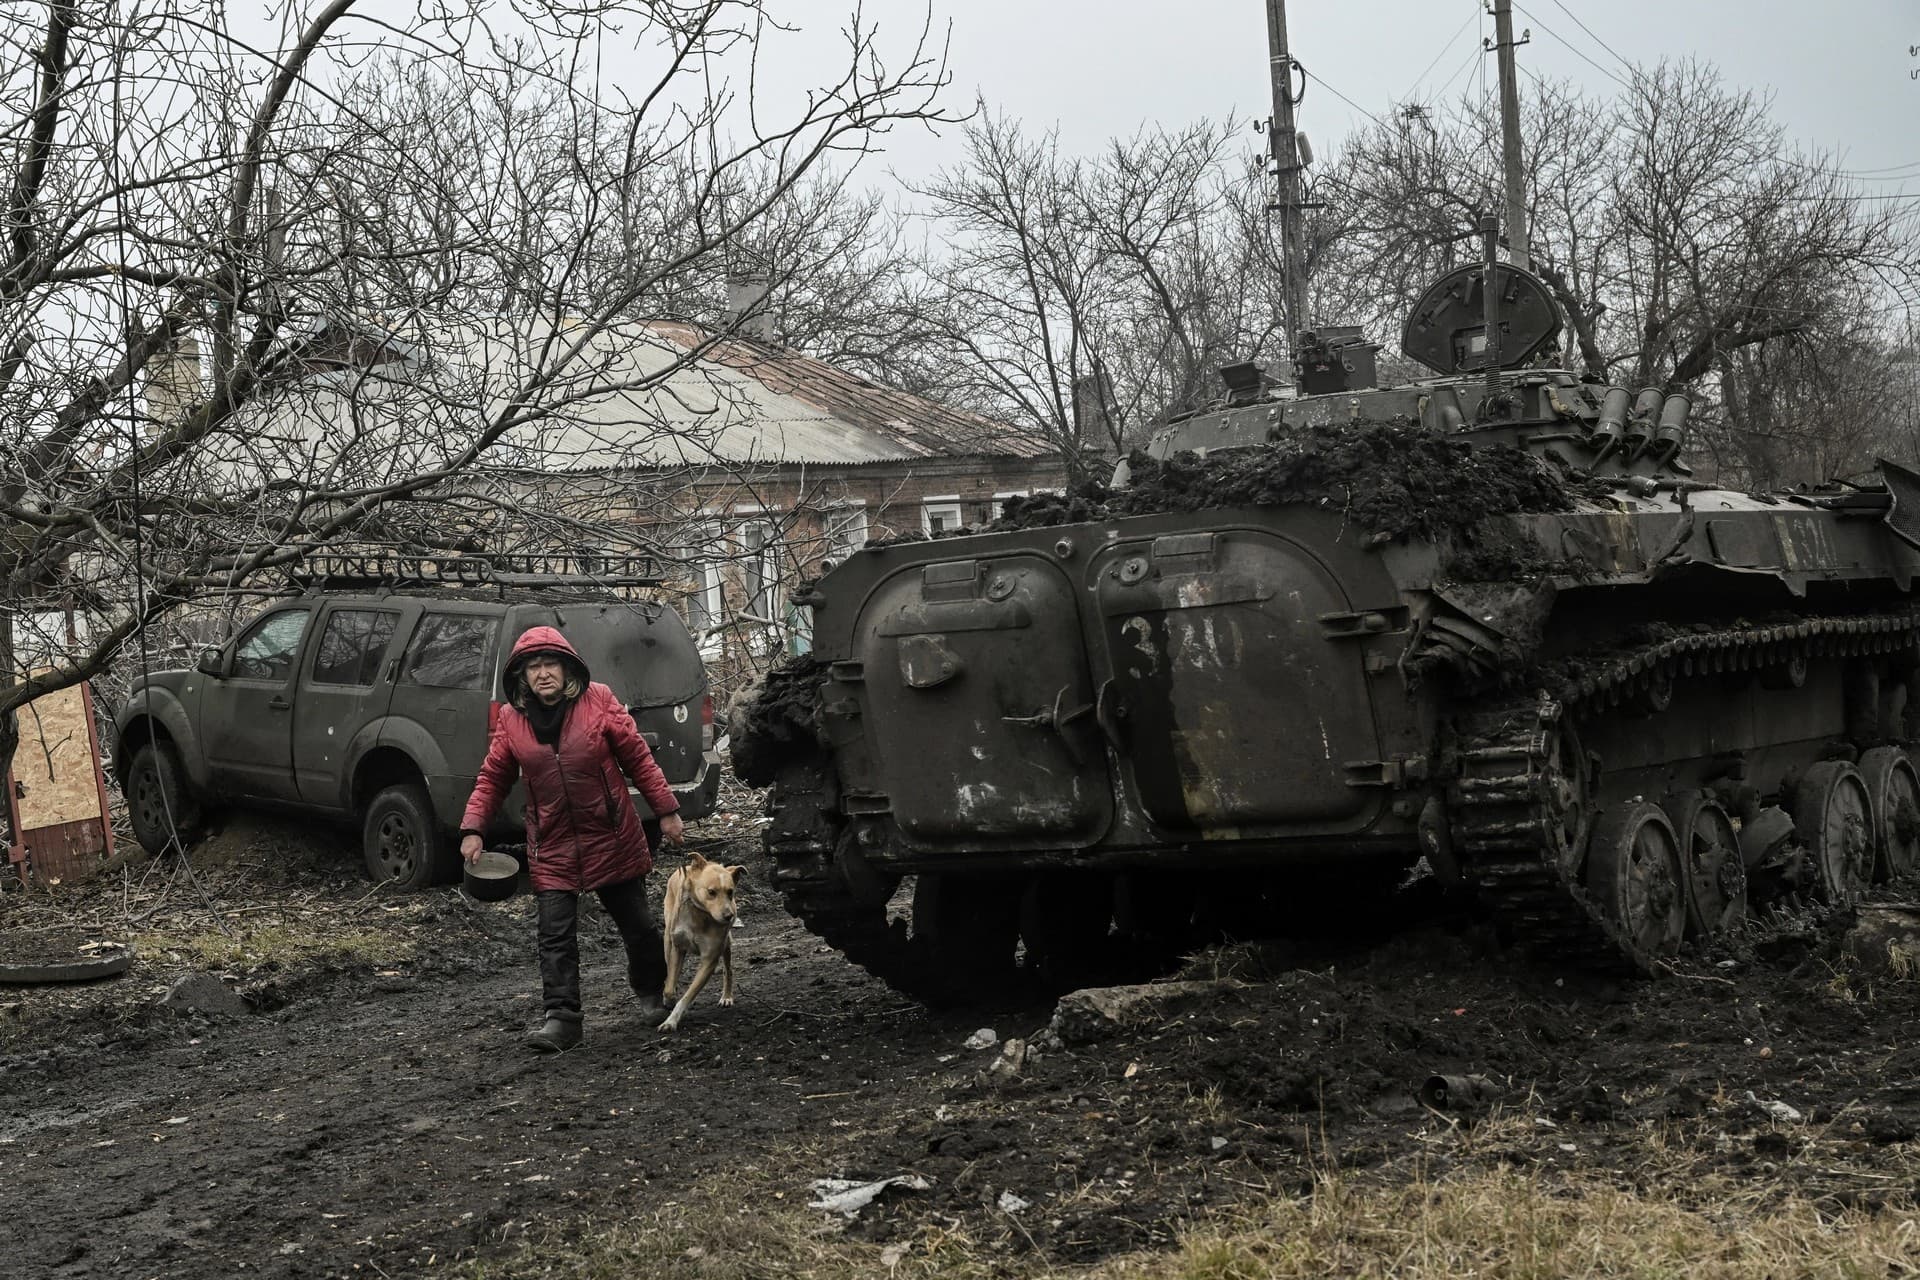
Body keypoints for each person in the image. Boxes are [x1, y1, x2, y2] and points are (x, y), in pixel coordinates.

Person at [460, 625, 685, 1052]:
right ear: (522, 676)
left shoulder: (598, 699)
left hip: (611, 834)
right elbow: (492, 778)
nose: (543, 674)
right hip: (552, 842)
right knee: (554, 935)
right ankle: (562, 1020)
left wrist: (667, 811)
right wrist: (473, 829)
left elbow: (637, 757)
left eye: (550, 665)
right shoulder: (512, 720)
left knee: (639, 928)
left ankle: (652, 994)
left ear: (567, 670)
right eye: (533, 667)